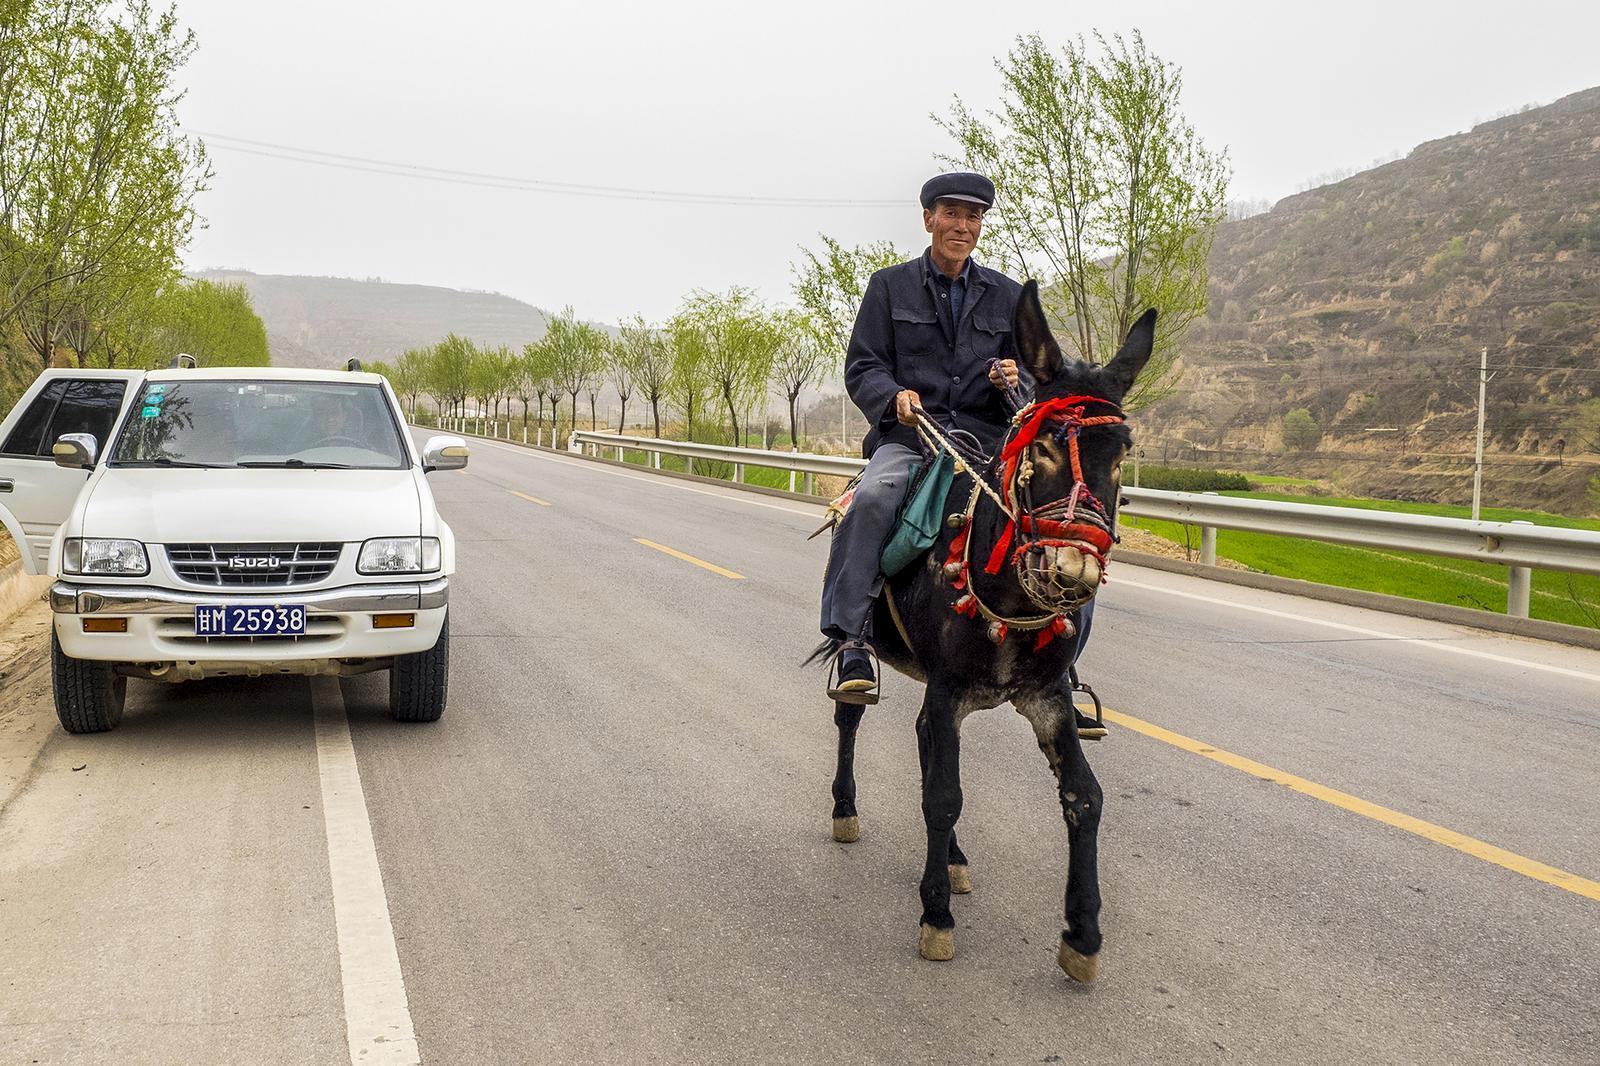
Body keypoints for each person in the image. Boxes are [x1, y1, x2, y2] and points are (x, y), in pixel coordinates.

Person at [818, 171, 1103, 736]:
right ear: (928, 218)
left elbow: (1036, 382)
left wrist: (1013, 379)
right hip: (913, 437)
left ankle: (1066, 670)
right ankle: (851, 640)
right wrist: (891, 396)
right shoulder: (888, 288)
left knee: (1063, 521)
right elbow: (862, 365)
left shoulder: (1006, 295)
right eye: (952, 214)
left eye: (973, 217)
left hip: (989, 443)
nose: (963, 226)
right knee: (873, 498)